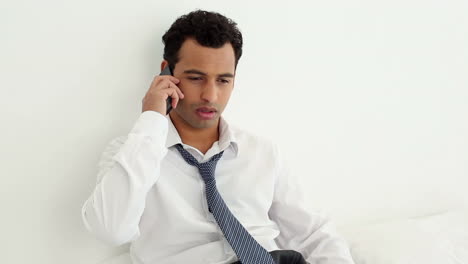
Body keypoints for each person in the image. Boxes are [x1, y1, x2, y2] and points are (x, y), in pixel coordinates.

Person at [81, 9, 355, 264]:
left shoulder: (261, 152)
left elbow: (313, 234)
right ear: (167, 73)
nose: (211, 96)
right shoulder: (132, 152)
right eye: (196, 78)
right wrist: (152, 119)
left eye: (223, 80)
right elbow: (110, 229)